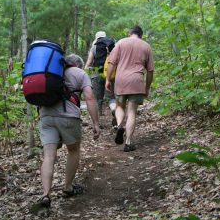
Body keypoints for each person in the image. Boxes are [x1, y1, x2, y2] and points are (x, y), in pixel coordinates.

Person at [38, 54, 100, 207]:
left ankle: (46, 194)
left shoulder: (50, 72)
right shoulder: (80, 73)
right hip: (68, 117)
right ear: (78, 64)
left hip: (45, 116)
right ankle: (68, 187)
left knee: (49, 156)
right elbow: (90, 98)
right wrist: (96, 123)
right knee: (73, 150)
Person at [105, 25, 154, 152]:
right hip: (136, 81)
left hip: (121, 80)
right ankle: (128, 142)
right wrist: (147, 87)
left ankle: (120, 125)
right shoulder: (146, 46)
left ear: (129, 33)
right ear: (141, 35)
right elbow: (150, 71)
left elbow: (111, 63)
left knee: (120, 106)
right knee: (132, 112)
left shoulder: (121, 43)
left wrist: (108, 79)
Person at [84, 31, 116, 125]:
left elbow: (89, 63)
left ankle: (97, 123)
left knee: (97, 99)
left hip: (96, 75)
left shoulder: (94, 46)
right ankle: (114, 109)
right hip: (109, 75)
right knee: (111, 97)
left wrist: (85, 72)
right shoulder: (112, 46)